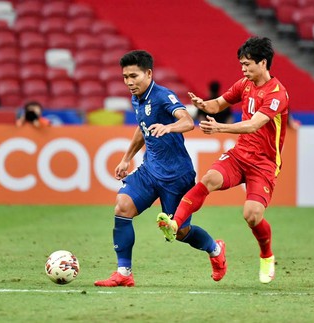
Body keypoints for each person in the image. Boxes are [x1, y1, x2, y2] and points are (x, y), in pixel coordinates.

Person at [157, 36, 290, 284]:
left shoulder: (277, 94)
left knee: (252, 215)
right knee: (209, 178)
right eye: (241, 64)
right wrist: (203, 104)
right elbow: (219, 104)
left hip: (264, 163)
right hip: (239, 155)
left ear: (263, 63)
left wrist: (219, 129)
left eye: (247, 64)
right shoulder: (245, 84)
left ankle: (266, 254)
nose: (243, 69)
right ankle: (175, 224)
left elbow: (254, 125)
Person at [94, 50, 226, 287]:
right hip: (149, 170)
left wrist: (169, 128)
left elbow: (187, 121)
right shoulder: (137, 98)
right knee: (122, 208)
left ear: (148, 73)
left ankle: (215, 250)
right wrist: (126, 158)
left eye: (133, 76)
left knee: (180, 232)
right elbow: (142, 127)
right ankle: (124, 272)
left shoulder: (163, 96)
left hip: (177, 176)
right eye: (125, 77)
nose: (129, 82)